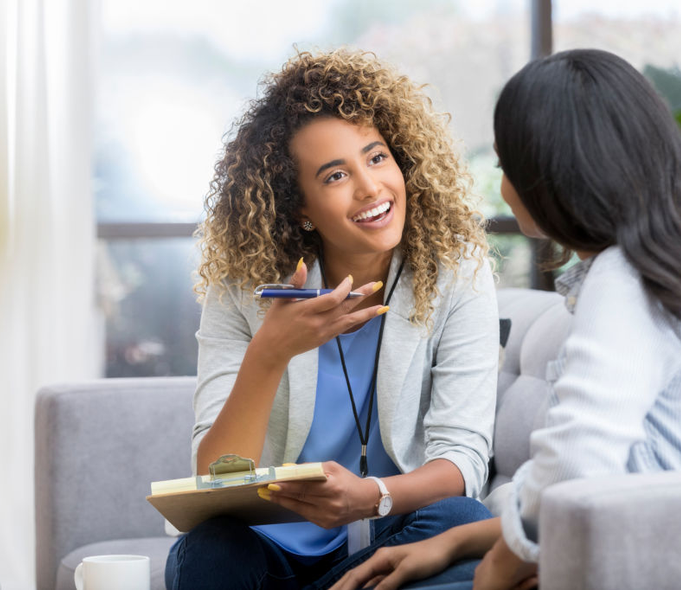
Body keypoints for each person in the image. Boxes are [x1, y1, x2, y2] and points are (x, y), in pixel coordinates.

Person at [331, 48, 681, 590]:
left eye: (506, 168)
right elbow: (622, 479)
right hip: (659, 542)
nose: (503, 186)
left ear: (554, 179)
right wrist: (454, 542)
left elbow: (573, 467)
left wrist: (500, 568)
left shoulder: (624, 282)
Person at [164, 49, 501, 590]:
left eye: (377, 158)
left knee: (462, 519)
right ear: (299, 206)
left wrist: (372, 496)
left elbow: (463, 461)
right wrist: (270, 352)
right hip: (272, 549)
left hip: (391, 535)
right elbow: (213, 480)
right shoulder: (243, 288)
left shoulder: (457, 271)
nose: (370, 188)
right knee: (207, 551)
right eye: (336, 175)